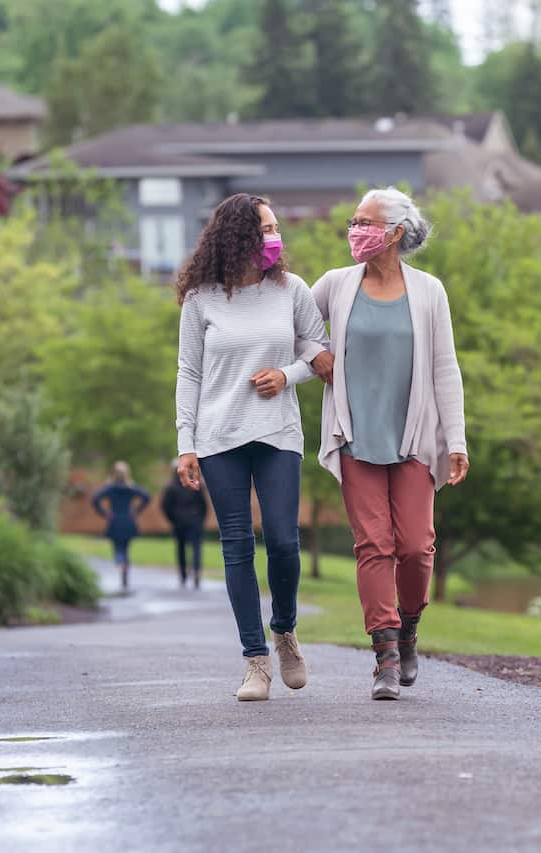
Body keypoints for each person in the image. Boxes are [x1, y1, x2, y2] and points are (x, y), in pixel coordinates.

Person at [307, 186, 468, 701]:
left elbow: (446, 367)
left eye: (367, 223)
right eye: (354, 222)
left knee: (418, 548)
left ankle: (410, 627)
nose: (356, 231)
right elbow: (294, 325)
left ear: (396, 232)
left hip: (414, 437)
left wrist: (457, 439)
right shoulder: (335, 285)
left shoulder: (429, 291)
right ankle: (385, 656)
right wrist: (315, 354)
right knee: (373, 546)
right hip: (356, 436)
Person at [174, 193, 331, 702]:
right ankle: (255, 660)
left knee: (284, 540)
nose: (274, 237)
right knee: (237, 547)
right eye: (265, 228)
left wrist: (286, 375)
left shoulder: (291, 290)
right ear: (237, 235)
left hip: (277, 433)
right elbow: (189, 373)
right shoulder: (200, 299)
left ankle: (284, 629)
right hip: (218, 436)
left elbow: (318, 353)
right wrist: (185, 443)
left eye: (275, 228)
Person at [91, 461, 150, 592]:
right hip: (128, 521)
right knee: (126, 549)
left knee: (118, 549)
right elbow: (146, 497)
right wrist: (136, 511)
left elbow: (95, 499)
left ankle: (120, 563)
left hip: (115, 521)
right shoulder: (131, 488)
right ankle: (125, 574)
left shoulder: (110, 488)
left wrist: (104, 513)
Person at [161, 458, 209, 589]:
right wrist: (201, 519)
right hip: (195, 521)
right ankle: (197, 572)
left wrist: (173, 519)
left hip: (179, 522)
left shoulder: (171, 487)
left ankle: (183, 575)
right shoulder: (195, 485)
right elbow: (203, 505)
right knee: (196, 548)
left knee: (181, 548)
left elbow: (165, 506)